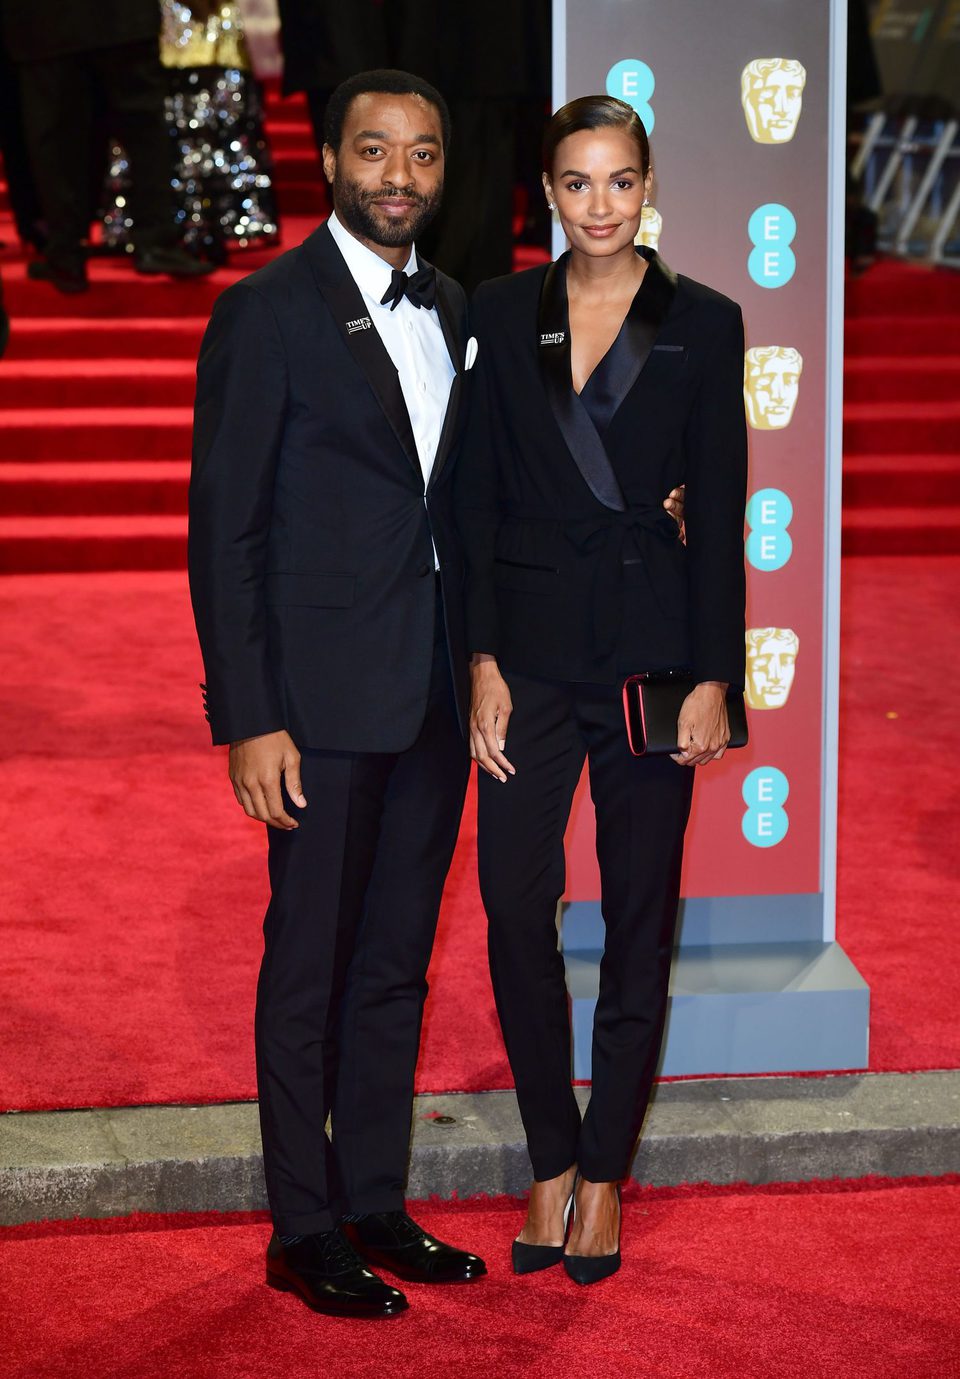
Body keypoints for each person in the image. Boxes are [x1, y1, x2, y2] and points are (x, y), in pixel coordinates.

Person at [189, 69, 485, 1320]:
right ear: (332, 159)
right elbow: (225, 532)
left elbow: (466, 508)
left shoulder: (460, 306)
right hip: (314, 705)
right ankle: (300, 1222)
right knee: (308, 962)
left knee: (397, 962)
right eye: (376, 152)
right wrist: (249, 714)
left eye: (421, 155)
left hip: (429, 693)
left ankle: (373, 1196)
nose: (399, 177)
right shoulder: (267, 311)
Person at [454, 95, 747, 1284]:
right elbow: (469, 502)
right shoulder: (496, 309)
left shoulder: (705, 321)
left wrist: (718, 675)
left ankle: (607, 1168)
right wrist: (475, 658)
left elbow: (719, 509)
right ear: (547, 191)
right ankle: (547, 1153)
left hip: (649, 662)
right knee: (516, 913)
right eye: (576, 183)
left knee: (639, 919)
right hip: (523, 662)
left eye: (619, 181)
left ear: (648, 184)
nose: (600, 205)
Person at [2, 0, 214, 293]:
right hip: (121, 18)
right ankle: (156, 240)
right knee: (143, 128)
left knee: (57, 137)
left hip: (46, 23)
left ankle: (65, 251)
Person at [101, 0, 279, 263]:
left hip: (218, 26)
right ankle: (178, 225)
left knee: (220, 124)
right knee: (175, 126)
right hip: (162, 25)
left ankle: (215, 222)